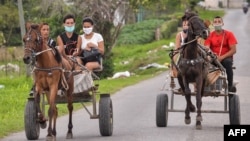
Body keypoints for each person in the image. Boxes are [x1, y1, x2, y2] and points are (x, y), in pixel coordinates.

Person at [204, 16, 237, 92]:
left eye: (219, 22)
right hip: (214, 57)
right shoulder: (210, 35)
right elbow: (207, 47)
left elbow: (233, 50)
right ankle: (202, 84)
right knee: (203, 63)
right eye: (215, 22)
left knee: (228, 63)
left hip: (225, 58)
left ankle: (230, 85)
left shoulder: (229, 34)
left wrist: (221, 57)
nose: (217, 23)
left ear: (223, 23)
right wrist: (210, 54)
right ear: (213, 24)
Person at [29, 22, 56, 96]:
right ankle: (35, 85)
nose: (46, 32)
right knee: (35, 68)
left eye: (47, 30)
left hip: (50, 65)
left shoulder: (52, 42)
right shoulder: (37, 43)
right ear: (40, 31)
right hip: (40, 65)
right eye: (44, 30)